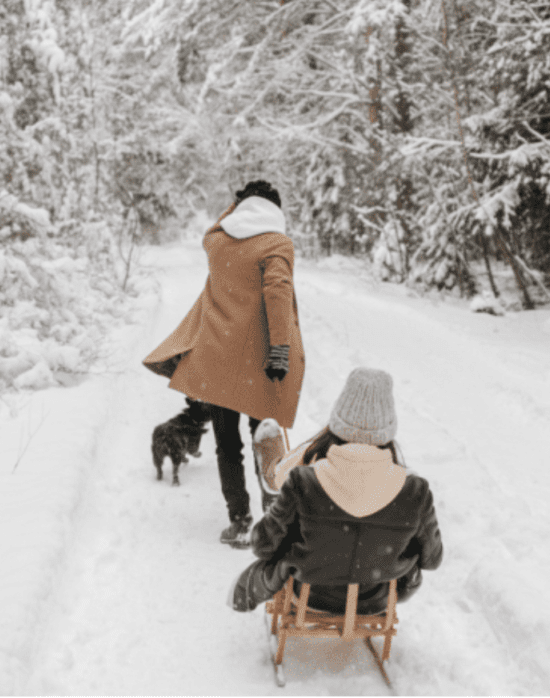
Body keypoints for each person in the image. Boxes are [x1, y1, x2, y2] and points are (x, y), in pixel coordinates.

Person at [142, 180, 305, 547]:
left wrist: (236, 206)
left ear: (240, 207)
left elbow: (223, 220)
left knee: (226, 445)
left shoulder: (216, 241)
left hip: (216, 360)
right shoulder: (277, 244)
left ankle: (240, 521)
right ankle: (273, 521)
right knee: (266, 441)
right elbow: (278, 293)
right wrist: (280, 348)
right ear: (276, 211)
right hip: (260, 363)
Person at [229, 368, 443, 614]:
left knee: (285, 537)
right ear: (389, 429)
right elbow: (432, 560)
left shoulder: (304, 481)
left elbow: (262, 546)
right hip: (376, 600)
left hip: (310, 595)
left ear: (337, 423)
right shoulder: (415, 492)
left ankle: (275, 473)